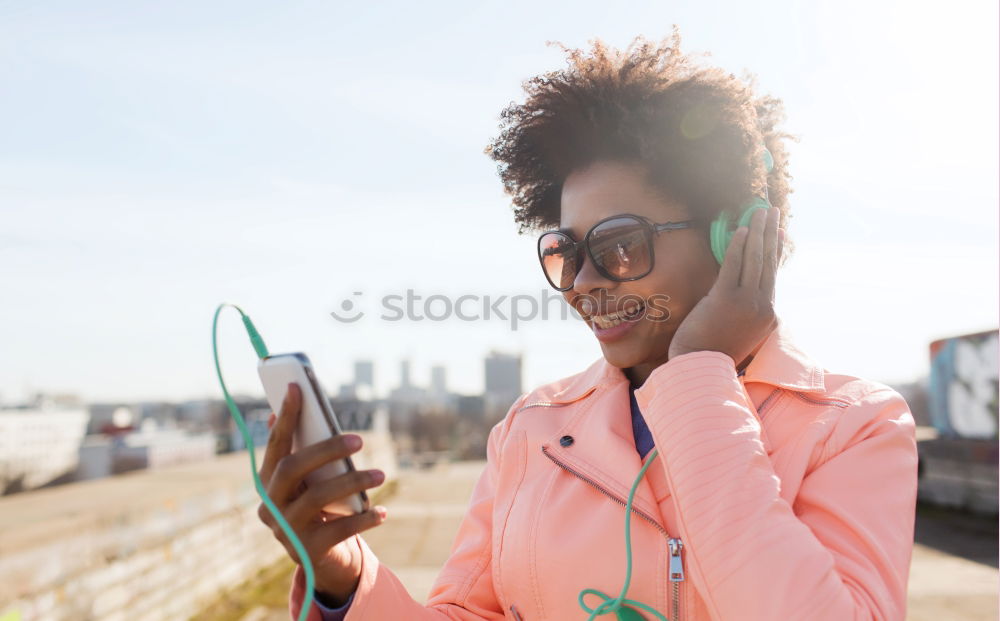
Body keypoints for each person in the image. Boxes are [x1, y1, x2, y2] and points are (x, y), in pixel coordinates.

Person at [258, 28, 918, 621]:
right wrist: (347, 584)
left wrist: (695, 378)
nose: (584, 282)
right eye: (565, 252)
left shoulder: (852, 425)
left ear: (734, 236)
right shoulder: (530, 430)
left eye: (620, 244)